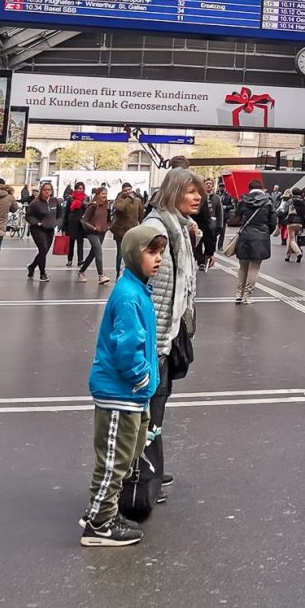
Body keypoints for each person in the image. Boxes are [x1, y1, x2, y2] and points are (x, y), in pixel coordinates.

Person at [79, 223, 166, 547]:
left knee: (123, 457)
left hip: (130, 393)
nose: (157, 259)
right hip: (121, 393)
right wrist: (142, 377)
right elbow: (127, 345)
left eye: (160, 252)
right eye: (151, 252)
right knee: (115, 460)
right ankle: (99, 524)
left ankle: (102, 512)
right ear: (132, 254)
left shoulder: (137, 288)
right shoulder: (130, 295)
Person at [143, 168, 203, 501]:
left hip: (168, 332)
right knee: (150, 406)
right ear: (173, 192)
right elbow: (151, 292)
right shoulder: (159, 230)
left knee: (157, 405)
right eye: (190, 191)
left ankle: (152, 467)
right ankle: (144, 476)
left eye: (199, 193)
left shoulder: (177, 228)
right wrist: (155, 342)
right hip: (157, 337)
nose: (197, 197)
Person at [233, 179, 277, 302]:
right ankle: (248, 295)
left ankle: (238, 293)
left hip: (246, 235)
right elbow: (273, 221)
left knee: (243, 266)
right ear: (261, 187)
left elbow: (236, 217)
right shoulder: (268, 201)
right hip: (261, 236)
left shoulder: (244, 200)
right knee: (254, 267)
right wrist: (267, 232)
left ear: (249, 188)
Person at [25, 181, 61, 282]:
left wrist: (58, 222)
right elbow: (28, 216)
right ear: (41, 191)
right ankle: (42, 273)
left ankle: (32, 267)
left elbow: (60, 214)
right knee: (43, 249)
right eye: (45, 190)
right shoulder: (35, 203)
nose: (47, 192)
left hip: (50, 229)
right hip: (38, 229)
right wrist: (37, 223)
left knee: (44, 252)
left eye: (49, 190)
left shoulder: (55, 201)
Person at [111, 182, 145, 278]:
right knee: (120, 255)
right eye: (125, 190)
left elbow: (141, 216)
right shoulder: (119, 200)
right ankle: (119, 274)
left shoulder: (137, 201)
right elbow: (120, 208)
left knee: (133, 255)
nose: (128, 192)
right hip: (120, 232)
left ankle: (132, 274)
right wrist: (128, 198)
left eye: (129, 190)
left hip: (133, 232)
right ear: (122, 191)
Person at [78, 186, 112, 284]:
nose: (104, 195)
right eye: (102, 194)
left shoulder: (107, 205)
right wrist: (93, 227)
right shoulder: (92, 206)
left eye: (106, 193)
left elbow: (109, 220)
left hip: (102, 232)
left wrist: (108, 227)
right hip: (92, 232)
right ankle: (101, 276)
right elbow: (85, 221)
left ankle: (81, 272)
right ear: (97, 195)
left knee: (93, 253)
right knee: (99, 251)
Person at [61, 181, 88, 270]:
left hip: (80, 223)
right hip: (71, 222)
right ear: (75, 189)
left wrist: (83, 204)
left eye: (81, 188)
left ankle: (80, 260)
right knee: (71, 243)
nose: (80, 190)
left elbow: (88, 209)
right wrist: (63, 225)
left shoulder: (86, 197)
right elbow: (66, 211)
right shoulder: (70, 198)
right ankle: (69, 259)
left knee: (80, 242)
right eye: (78, 188)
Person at [280, 188, 305, 263]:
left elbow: (284, 210)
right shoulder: (303, 201)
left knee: (292, 239)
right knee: (291, 239)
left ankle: (298, 252)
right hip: (300, 223)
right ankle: (287, 256)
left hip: (291, 222)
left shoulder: (290, 201)